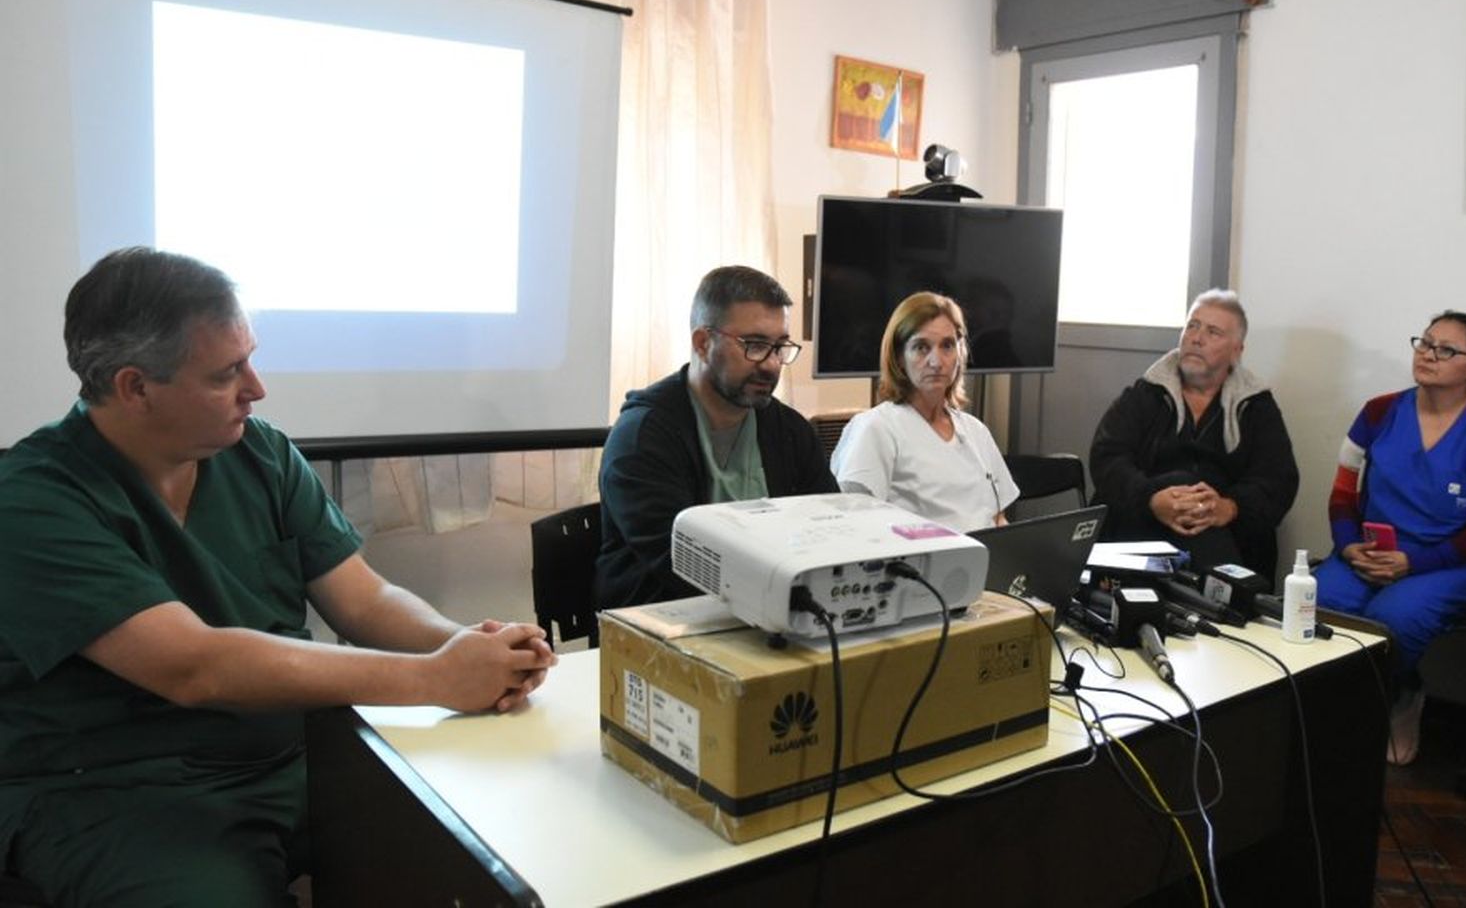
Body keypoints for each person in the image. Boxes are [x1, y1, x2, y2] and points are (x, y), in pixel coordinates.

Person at [0, 248, 557, 907]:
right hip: (119, 789)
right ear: (135, 388)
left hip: (293, 754)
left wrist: (465, 645)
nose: (256, 388)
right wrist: (436, 678)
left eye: (250, 358)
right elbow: (194, 667)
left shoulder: (258, 451)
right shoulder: (35, 500)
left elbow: (365, 599)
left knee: (478, 850)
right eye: (225, 373)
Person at [1317, 311, 1466, 765]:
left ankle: (1402, 694)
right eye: (1425, 343)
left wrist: (1415, 564)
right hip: (1370, 552)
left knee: (1393, 619)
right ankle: (1333, 716)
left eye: (1446, 350)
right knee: (1317, 603)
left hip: (1455, 563)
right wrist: (1346, 545)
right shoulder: (1379, 411)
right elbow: (1342, 495)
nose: (1428, 354)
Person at [596, 266, 837, 608]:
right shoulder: (643, 437)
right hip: (665, 624)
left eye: (780, 346)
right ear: (703, 343)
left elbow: (831, 528)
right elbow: (679, 563)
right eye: (754, 345)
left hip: (771, 613)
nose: (771, 365)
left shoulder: (790, 431)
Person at [1089, 289, 1299, 578]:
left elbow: (1278, 479)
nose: (1196, 338)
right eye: (1192, 326)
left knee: (1201, 505)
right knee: (1179, 481)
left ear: (1236, 351)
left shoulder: (1256, 406)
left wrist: (1228, 508)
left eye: (1213, 332)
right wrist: (1151, 499)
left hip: (1221, 529)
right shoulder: (1146, 394)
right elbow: (1107, 458)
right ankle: (1222, 598)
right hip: (1142, 525)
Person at [830, 292, 1018, 532]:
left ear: (960, 355)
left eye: (947, 346)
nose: (936, 361)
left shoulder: (976, 431)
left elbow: (998, 519)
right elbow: (857, 527)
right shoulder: (876, 427)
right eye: (921, 347)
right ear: (899, 358)